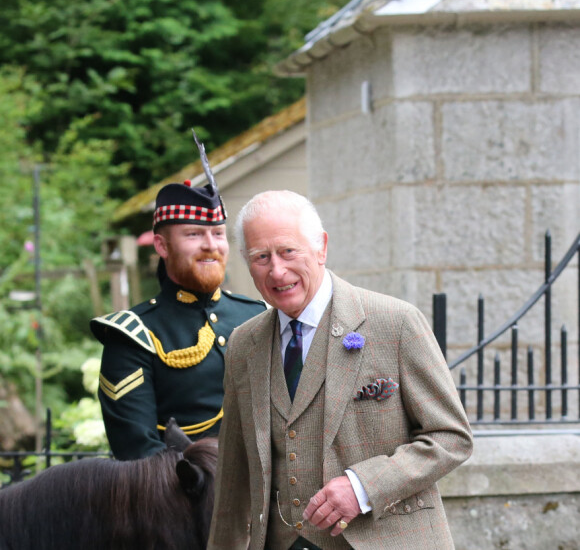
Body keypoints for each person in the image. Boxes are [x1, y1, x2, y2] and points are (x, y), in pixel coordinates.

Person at [208, 190, 473, 550]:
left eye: (288, 251)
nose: (277, 270)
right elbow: (233, 476)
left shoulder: (395, 324)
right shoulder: (243, 344)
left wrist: (364, 486)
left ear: (321, 248)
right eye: (261, 257)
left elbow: (451, 437)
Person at [90, 175, 266, 460]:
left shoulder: (258, 315)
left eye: (218, 234)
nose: (211, 245)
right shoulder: (133, 333)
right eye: (194, 234)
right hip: (183, 497)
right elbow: (138, 453)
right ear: (162, 246)